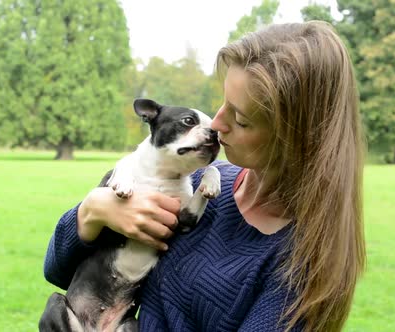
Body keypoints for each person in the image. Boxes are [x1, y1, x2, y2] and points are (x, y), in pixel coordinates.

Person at [43, 21, 365, 332]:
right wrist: (92, 211)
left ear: (295, 138)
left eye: (240, 118)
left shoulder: (300, 266)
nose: (217, 124)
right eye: (223, 102)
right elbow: (57, 271)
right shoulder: (195, 180)